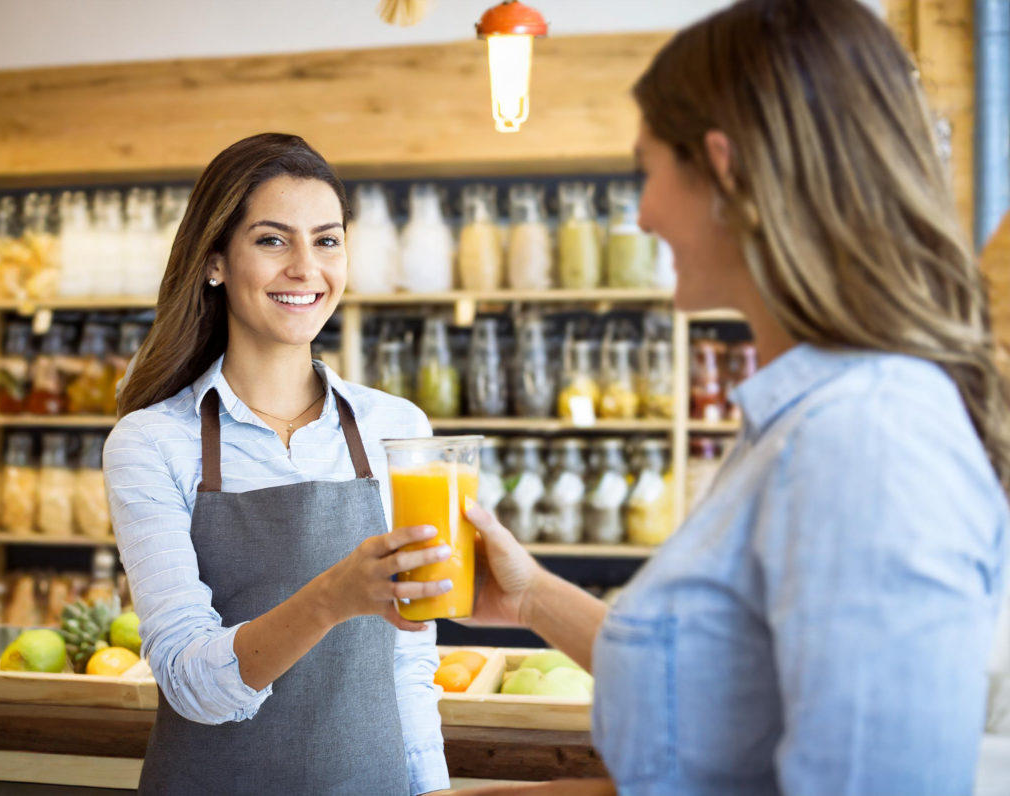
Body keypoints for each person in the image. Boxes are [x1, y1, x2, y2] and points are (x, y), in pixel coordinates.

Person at [463, 1, 1010, 794]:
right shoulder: (806, 418)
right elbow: (722, 696)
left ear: (723, 169)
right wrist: (530, 598)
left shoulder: (869, 439)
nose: (643, 215)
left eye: (646, 170)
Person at [105, 133, 453, 795]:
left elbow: (406, 663)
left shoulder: (396, 429)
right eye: (272, 240)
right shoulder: (152, 443)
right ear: (214, 261)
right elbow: (188, 681)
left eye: (326, 240)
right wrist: (330, 599)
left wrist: (431, 790)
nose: (306, 268)